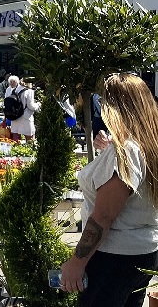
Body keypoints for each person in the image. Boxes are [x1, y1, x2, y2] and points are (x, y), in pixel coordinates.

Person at [60, 73, 158, 307]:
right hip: (142, 250)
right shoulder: (147, 145)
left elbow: (104, 215)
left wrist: (76, 262)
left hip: (114, 255)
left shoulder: (126, 152)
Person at [5, 76, 40, 141]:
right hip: (26, 117)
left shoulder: (13, 90)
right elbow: (30, 106)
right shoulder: (29, 91)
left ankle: (16, 150)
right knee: (30, 138)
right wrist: (38, 105)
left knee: (16, 138)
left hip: (15, 116)